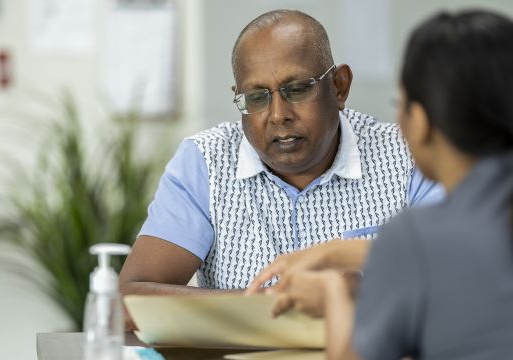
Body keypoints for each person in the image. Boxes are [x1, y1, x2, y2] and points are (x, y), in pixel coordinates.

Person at [119, 9, 442, 301]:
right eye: (257, 97)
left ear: (339, 86)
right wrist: (267, 303)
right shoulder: (207, 160)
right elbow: (131, 298)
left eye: (298, 89)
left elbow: (462, 277)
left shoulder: (409, 155)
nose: (277, 115)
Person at [248, 9, 513, 360]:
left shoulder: (419, 236)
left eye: (399, 104)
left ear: (420, 122)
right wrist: (340, 252)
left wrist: (332, 294)